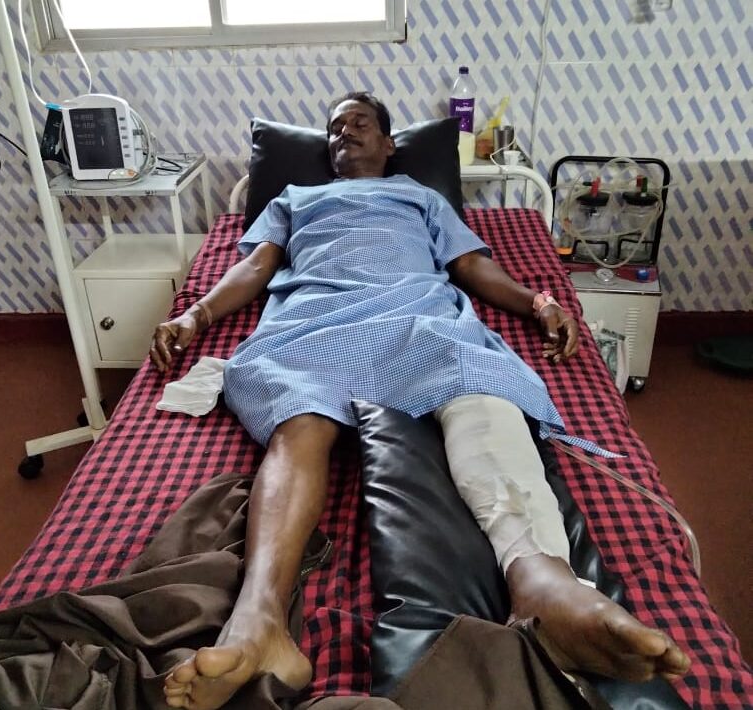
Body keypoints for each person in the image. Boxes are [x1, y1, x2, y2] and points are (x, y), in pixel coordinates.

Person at [151, 93, 689, 710]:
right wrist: (194, 317)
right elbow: (253, 270)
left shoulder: (422, 197)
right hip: (313, 320)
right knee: (298, 422)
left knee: (482, 391)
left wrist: (539, 304)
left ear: (389, 144)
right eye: (334, 128)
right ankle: (260, 621)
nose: (344, 133)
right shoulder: (294, 199)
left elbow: (473, 268)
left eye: (359, 123)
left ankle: (544, 583)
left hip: (416, 316)